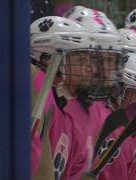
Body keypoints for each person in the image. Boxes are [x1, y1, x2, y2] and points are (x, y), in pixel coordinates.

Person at [30, 16, 105, 179]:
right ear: (47, 59)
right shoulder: (39, 86)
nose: (91, 68)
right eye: (80, 59)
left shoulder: (59, 98)